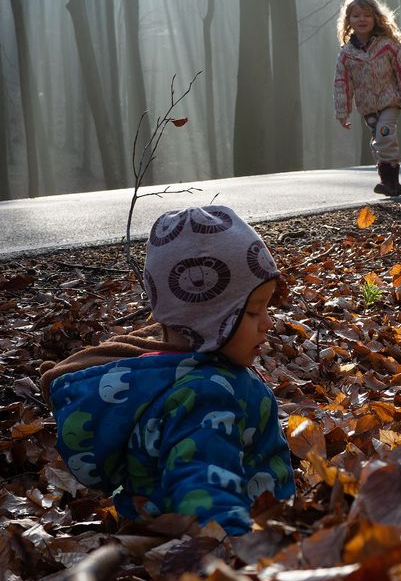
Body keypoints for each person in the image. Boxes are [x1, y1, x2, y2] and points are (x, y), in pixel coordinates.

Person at [39, 205, 295, 536]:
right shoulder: (206, 394)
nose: (268, 323)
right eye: (253, 312)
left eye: (267, 307)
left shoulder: (172, 372)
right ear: (207, 321)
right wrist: (239, 553)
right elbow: (205, 492)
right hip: (228, 541)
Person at [334, 0, 401, 197]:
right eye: (356, 16)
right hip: (367, 107)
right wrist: (342, 112)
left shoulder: (388, 45)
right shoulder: (347, 54)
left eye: (367, 15)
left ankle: (391, 182)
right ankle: (388, 181)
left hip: (390, 101)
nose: (362, 19)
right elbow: (341, 84)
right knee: (380, 141)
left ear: (375, 18)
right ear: (349, 21)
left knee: (384, 134)